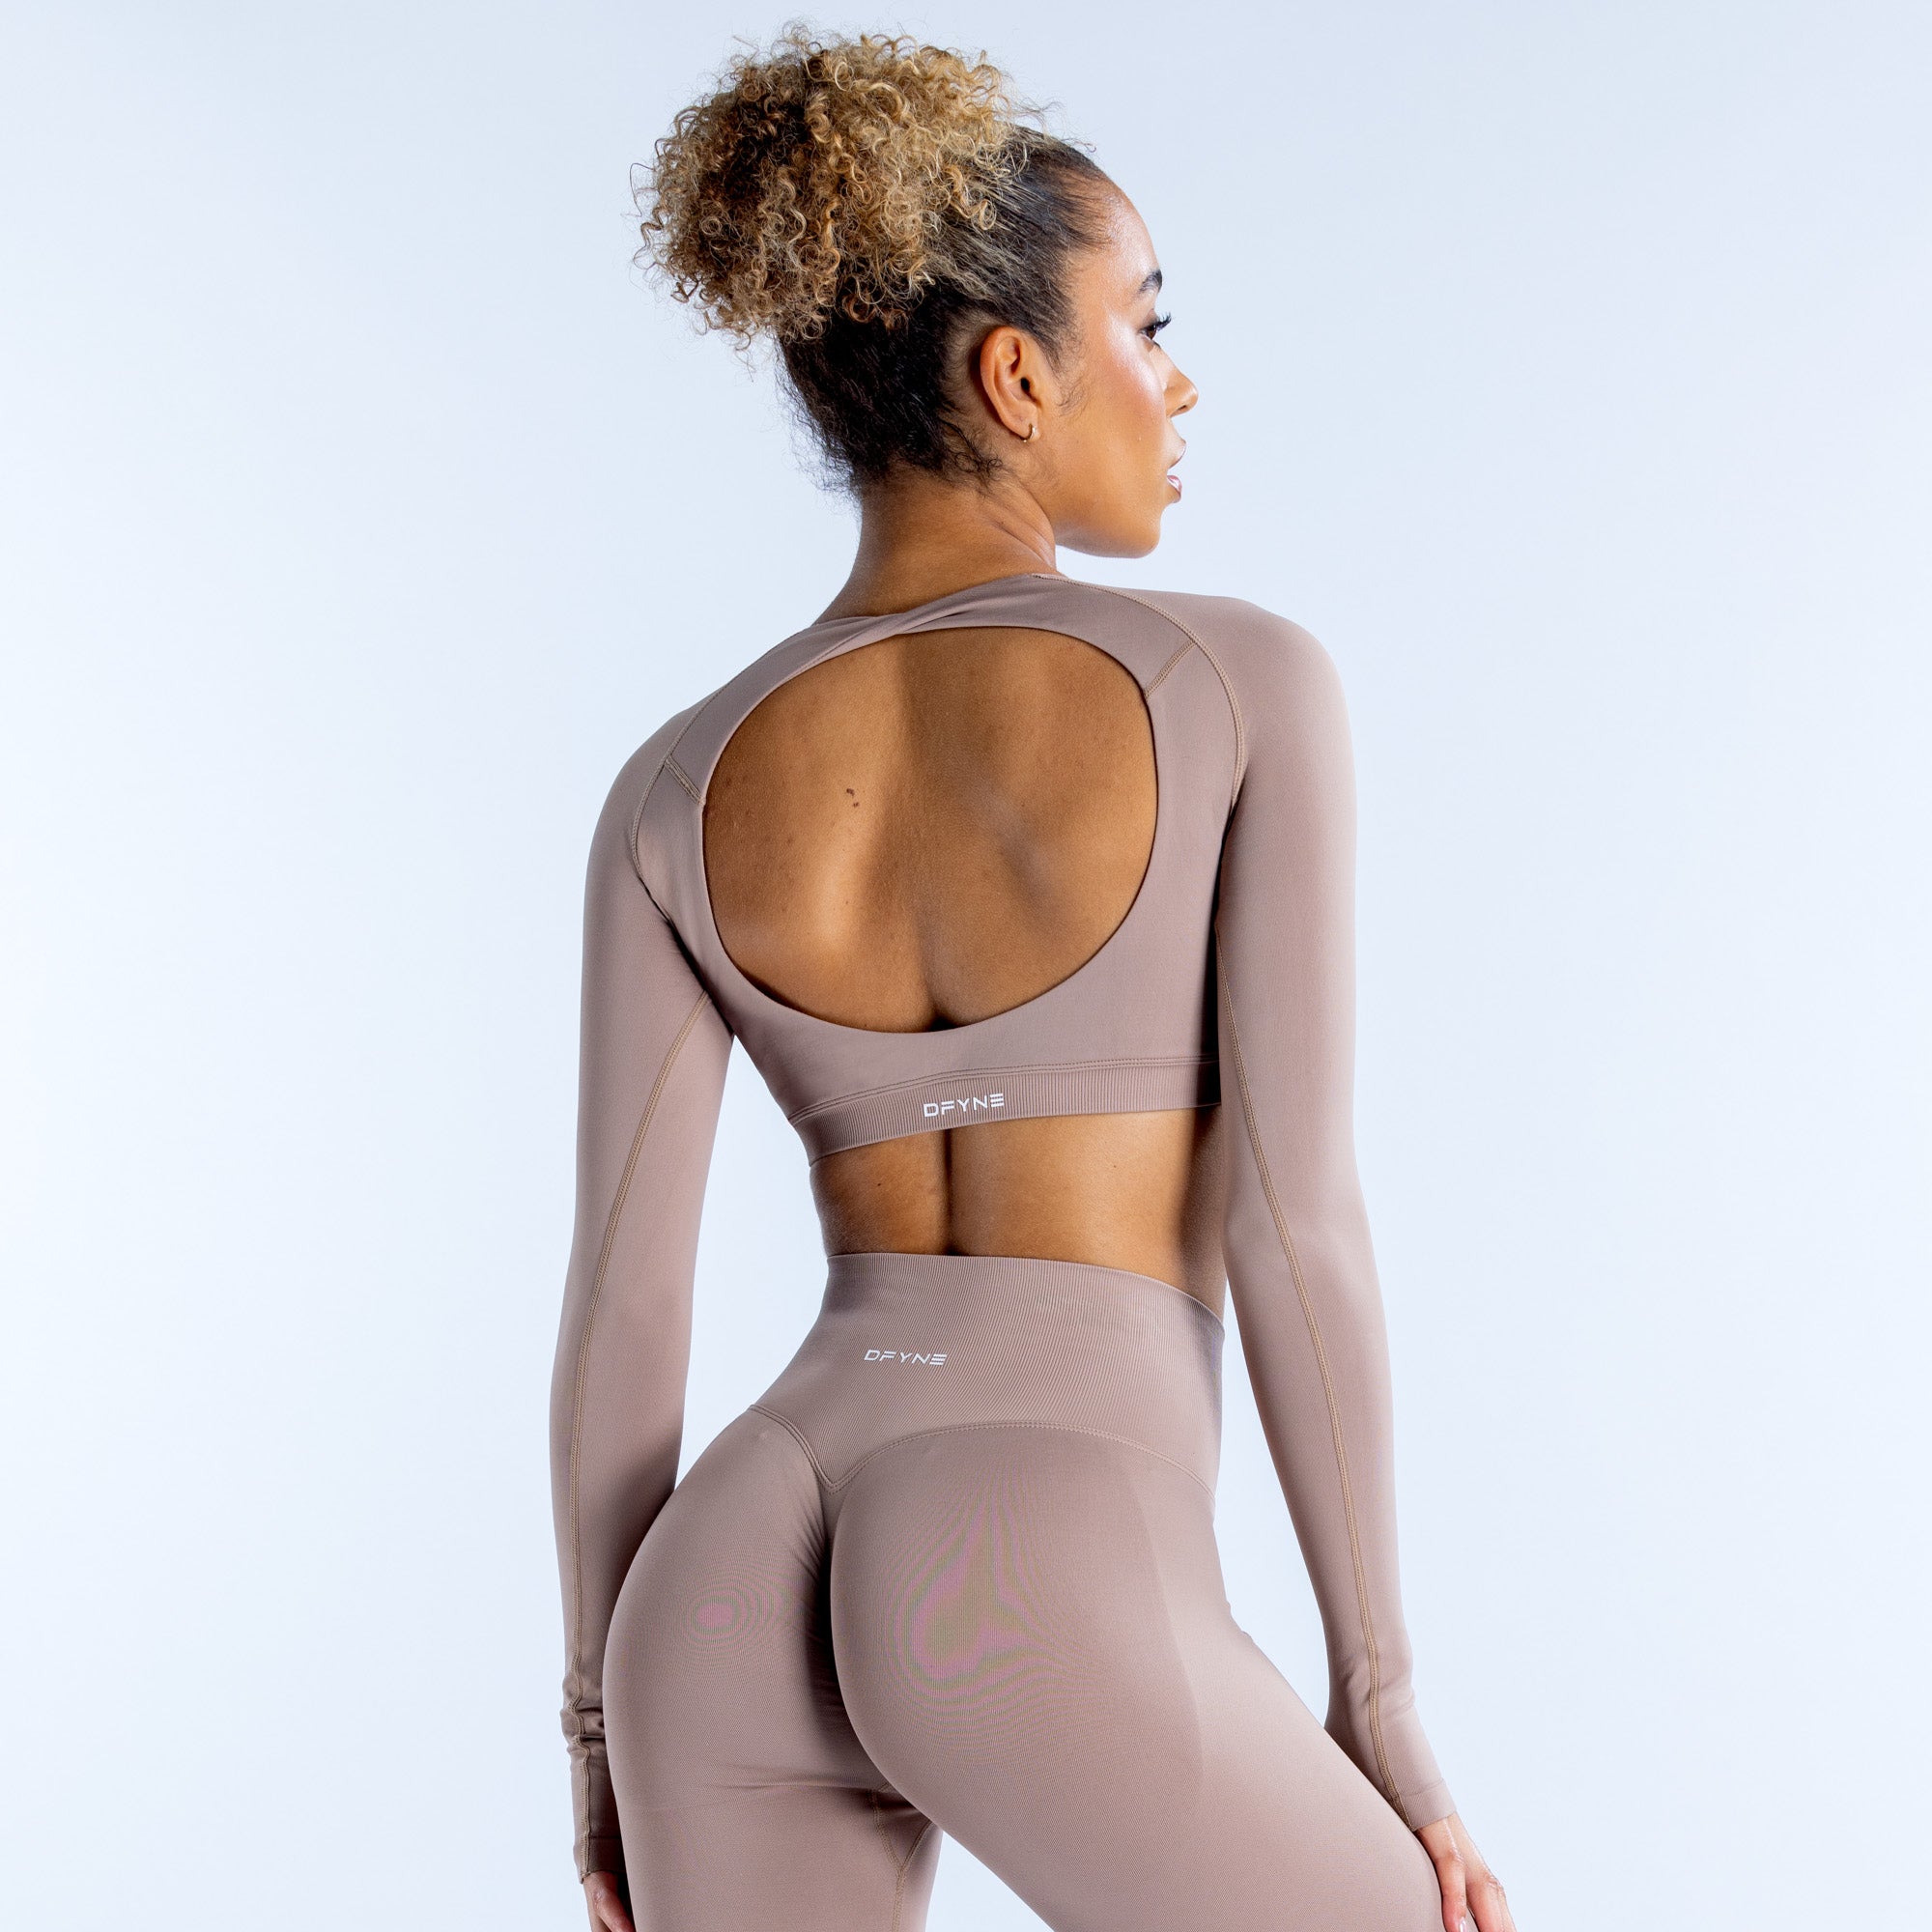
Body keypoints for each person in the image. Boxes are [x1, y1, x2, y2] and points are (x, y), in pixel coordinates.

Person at [550, 28, 1515, 1932]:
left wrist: (597, 1732)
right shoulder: (1233, 682)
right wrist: (1380, 1701)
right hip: (1012, 1561)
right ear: (1014, 375)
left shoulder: (670, 784)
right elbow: (1293, 1223)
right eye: (1146, 325)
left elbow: (622, 1307)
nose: (1179, 382)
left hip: (721, 1576)